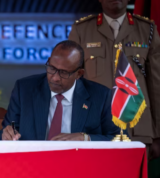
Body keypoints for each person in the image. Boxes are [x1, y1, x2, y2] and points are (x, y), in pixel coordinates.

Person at [68, 0, 160, 158]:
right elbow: (71, 83)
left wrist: (158, 134)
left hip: (137, 130)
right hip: (95, 131)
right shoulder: (82, 30)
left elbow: (156, 85)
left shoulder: (147, 29)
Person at [0, 40, 121, 141]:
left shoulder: (101, 96)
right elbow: (5, 134)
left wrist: (85, 138)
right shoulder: (24, 90)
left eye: (64, 73)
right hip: (33, 165)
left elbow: (120, 139)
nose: (55, 78)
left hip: (78, 165)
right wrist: (5, 136)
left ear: (79, 74)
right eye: (51, 68)